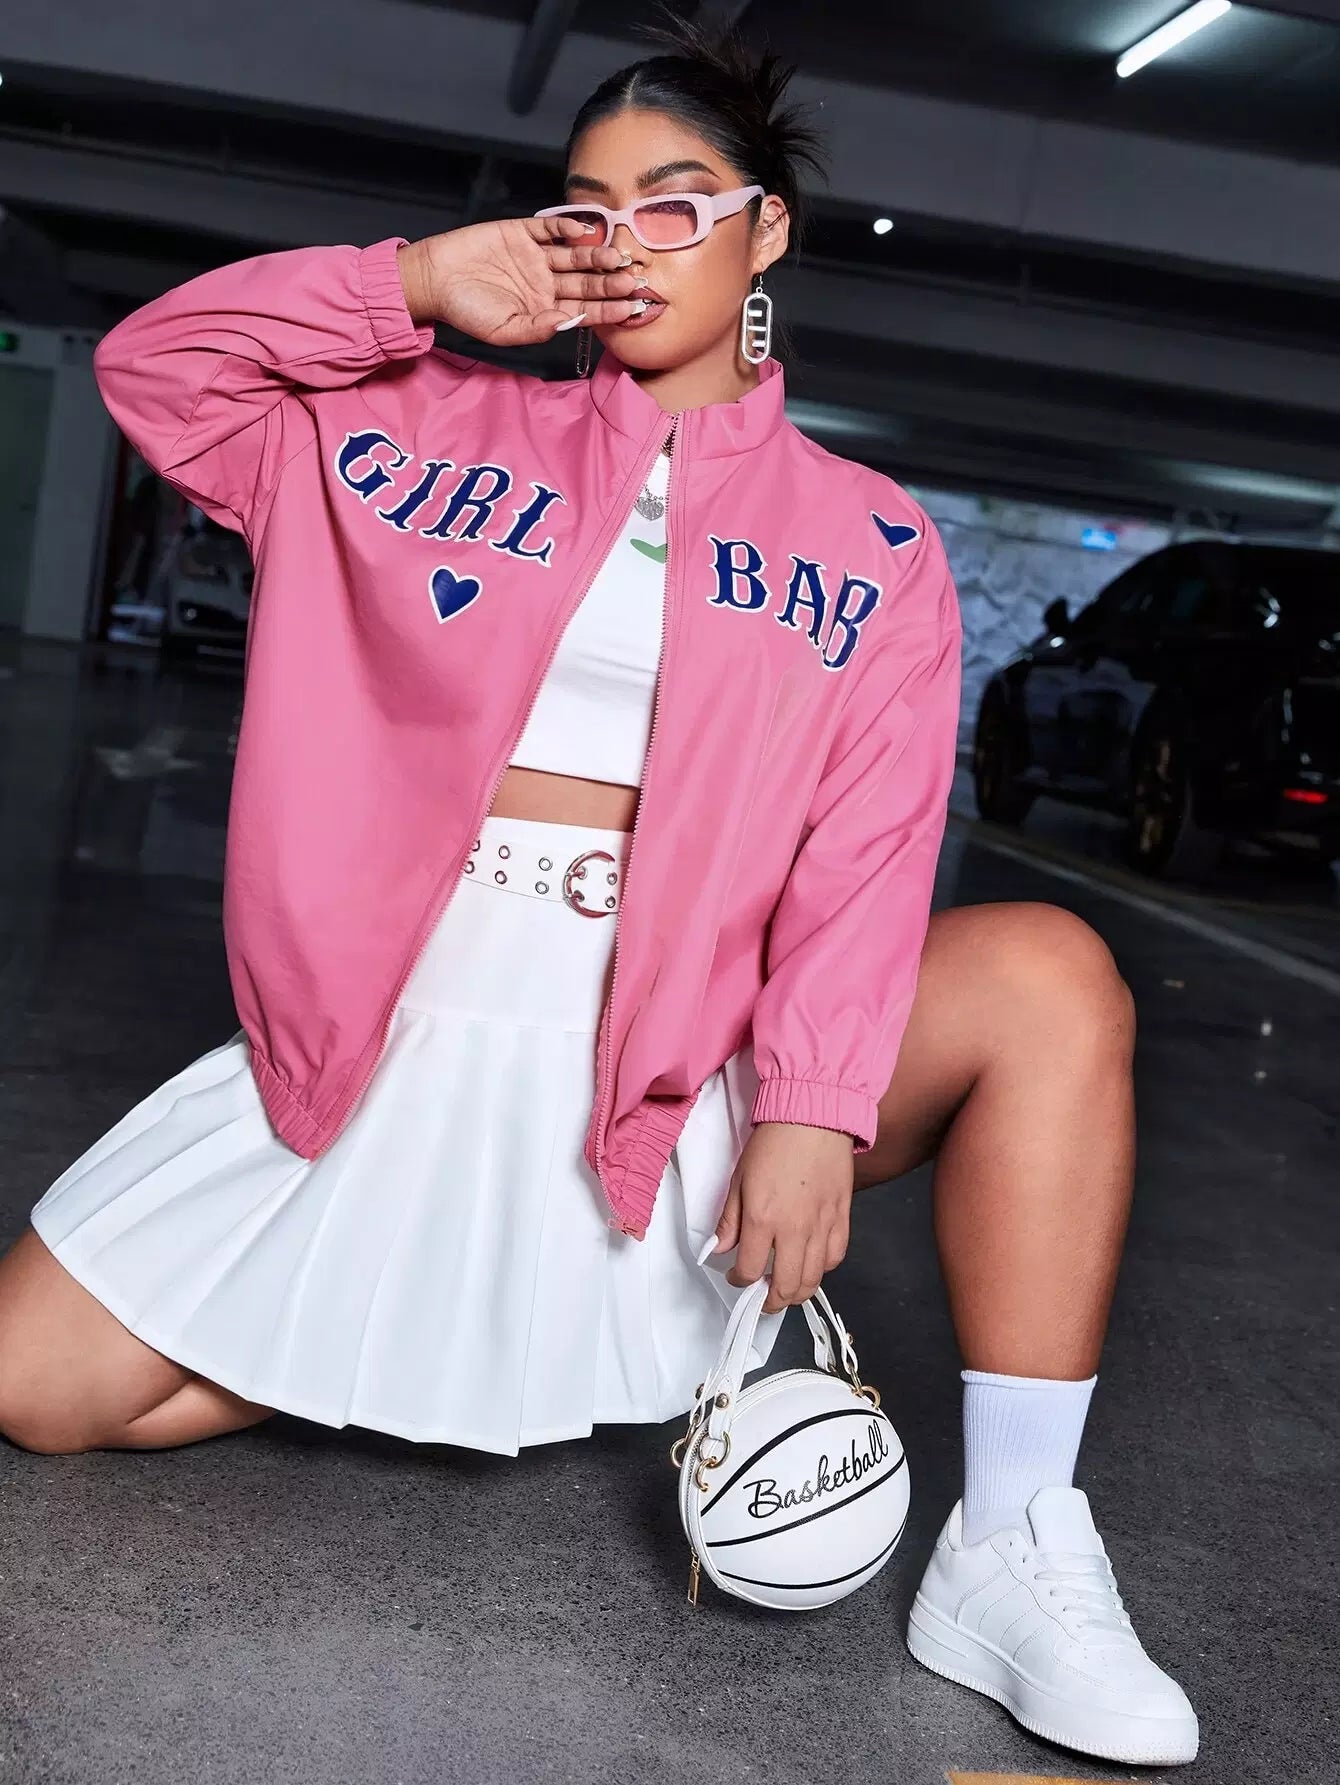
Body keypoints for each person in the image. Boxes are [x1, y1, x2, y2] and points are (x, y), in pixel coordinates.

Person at [0, 18, 1196, 1769]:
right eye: (589, 206)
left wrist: (811, 1105)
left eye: (676, 201)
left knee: (1050, 972)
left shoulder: (869, 543)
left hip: (679, 1075)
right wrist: (415, 285)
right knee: (36, 1390)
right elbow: (161, 370)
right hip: (394, 1035)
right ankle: (426, 1316)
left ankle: (1014, 1540)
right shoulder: (409, 432)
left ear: (767, 231)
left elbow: (866, 854)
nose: (626, 242)